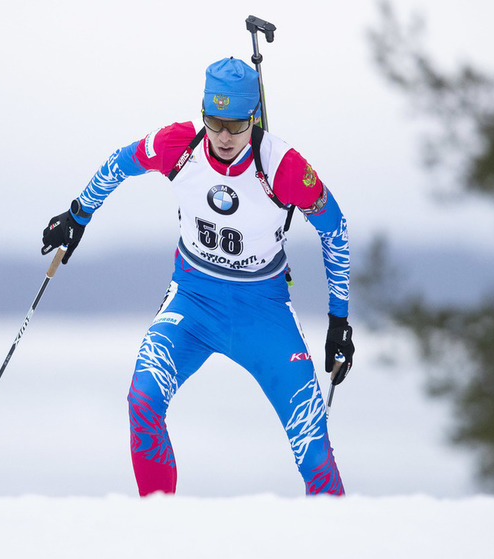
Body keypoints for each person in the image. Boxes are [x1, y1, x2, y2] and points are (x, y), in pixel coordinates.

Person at [41, 57, 354, 497]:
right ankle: (159, 521)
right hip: (193, 302)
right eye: (214, 122)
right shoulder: (179, 144)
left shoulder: (282, 166)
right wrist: (78, 214)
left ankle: (336, 529)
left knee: (313, 445)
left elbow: (334, 229)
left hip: (262, 312)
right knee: (143, 400)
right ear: (202, 111)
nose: (223, 137)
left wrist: (339, 320)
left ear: (254, 118)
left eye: (236, 125)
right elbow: (121, 162)